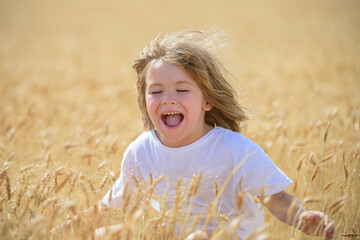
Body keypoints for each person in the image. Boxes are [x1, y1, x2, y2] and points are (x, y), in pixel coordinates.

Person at [55, 30, 335, 240]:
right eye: (156, 91)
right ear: (144, 100)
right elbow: (113, 207)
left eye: (181, 89)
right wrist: (64, 228)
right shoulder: (141, 152)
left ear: (207, 101)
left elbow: (275, 198)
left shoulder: (234, 149)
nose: (168, 99)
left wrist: (302, 218)